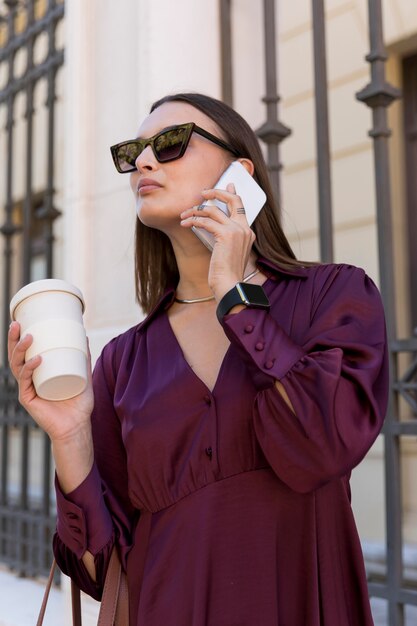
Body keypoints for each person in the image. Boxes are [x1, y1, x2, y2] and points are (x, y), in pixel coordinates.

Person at [8, 92, 388, 626]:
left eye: (169, 144)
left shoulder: (334, 297)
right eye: (133, 152)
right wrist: (69, 435)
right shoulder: (124, 361)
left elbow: (321, 445)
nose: (143, 161)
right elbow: (98, 569)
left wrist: (235, 293)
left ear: (240, 172)